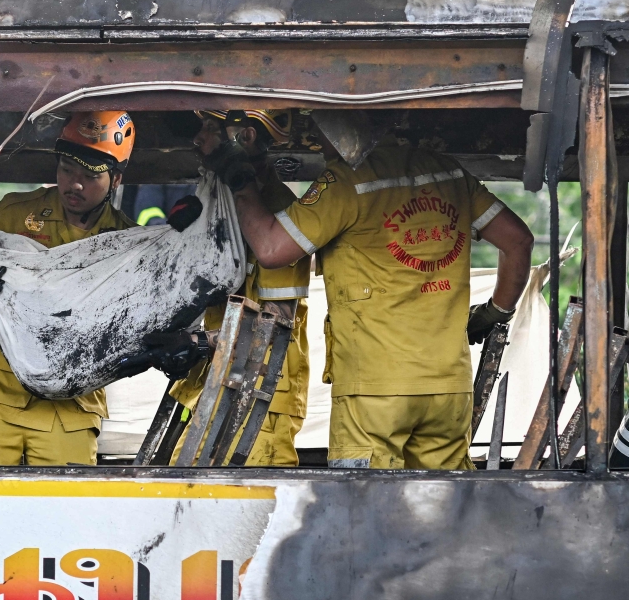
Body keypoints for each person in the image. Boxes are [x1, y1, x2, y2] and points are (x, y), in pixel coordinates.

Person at [212, 111, 533, 470]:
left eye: (319, 131)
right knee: (443, 508)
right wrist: (495, 312)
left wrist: (239, 178)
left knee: (364, 507)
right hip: (448, 387)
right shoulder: (449, 173)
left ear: (336, 130)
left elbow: (270, 249)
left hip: (374, 392)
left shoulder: (347, 182)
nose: (318, 143)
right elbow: (518, 242)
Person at [0, 111, 203, 466]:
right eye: (66, 169)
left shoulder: (127, 243)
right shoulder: (14, 213)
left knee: (64, 516)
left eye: (90, 176)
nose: (74, 184)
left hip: (72, 408)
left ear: (116, 179)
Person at [129, 110, 311, 466]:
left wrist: (197, 342)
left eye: (210, 129)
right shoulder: (216, 202)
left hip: (258, 400)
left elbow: (276, 322)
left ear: (245, 137)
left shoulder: (280, 210)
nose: (198, 140)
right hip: (209, 388)